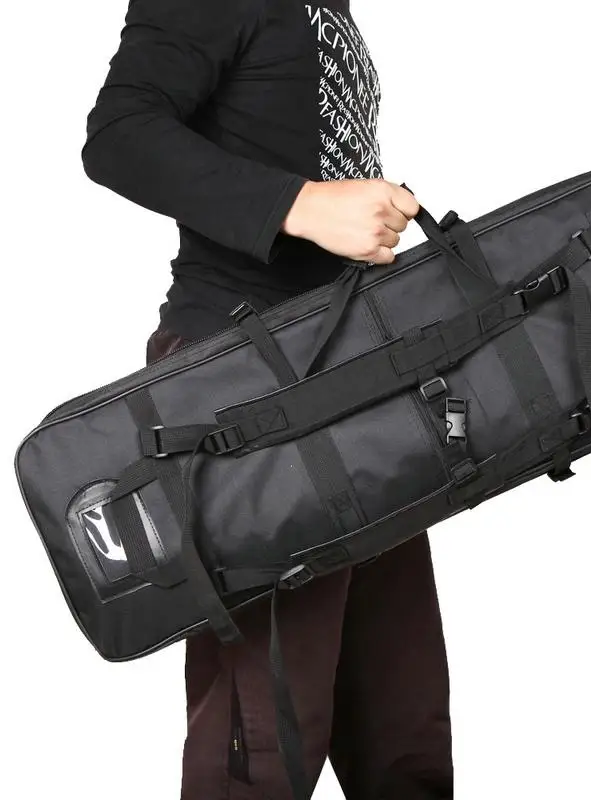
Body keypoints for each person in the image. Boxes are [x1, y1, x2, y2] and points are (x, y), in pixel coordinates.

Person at [81, 1, 453, 798]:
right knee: (264, 738)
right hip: (244, 391)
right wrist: (303, 205)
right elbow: (119, 133)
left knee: (403, 728)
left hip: (352, 377)